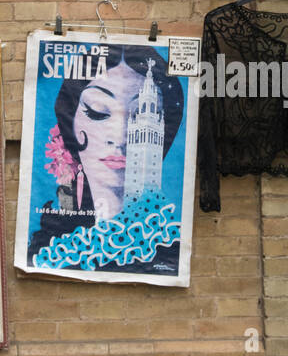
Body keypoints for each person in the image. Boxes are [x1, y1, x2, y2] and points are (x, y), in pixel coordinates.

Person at [28, 45, 183, 263]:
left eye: (138, 112)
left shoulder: (168, 243)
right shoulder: (51, 244)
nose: (119, 136)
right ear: (69, 123)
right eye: (97, 111)